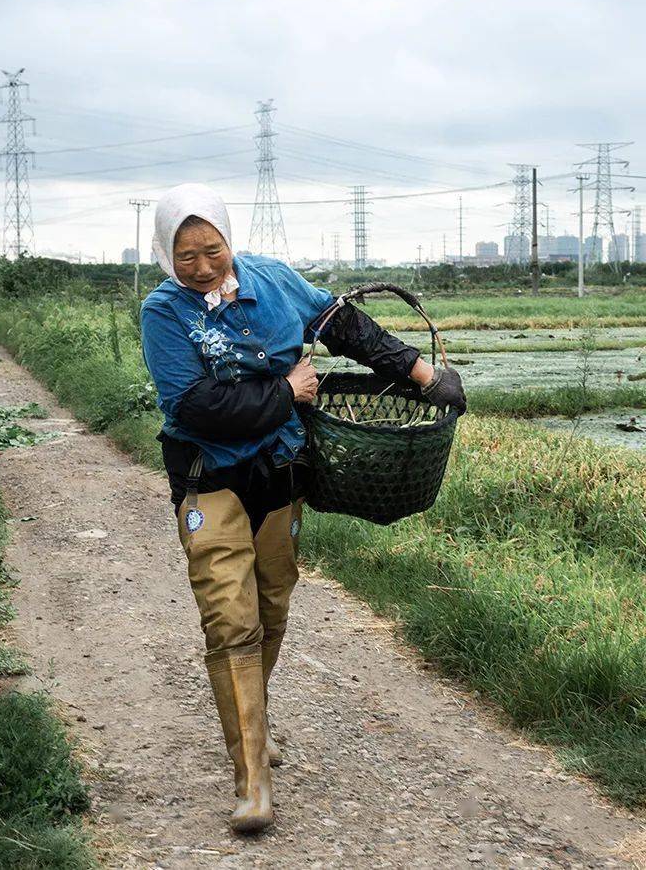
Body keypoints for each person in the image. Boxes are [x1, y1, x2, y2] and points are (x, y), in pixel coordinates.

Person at [141, 183, 465, 834]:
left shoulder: (274, 282)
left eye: (213, 250)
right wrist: (288, 390)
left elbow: (342, 325)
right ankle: (252, 780)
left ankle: (254, 729)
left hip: (281, 476)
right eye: (186, 256)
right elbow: (195, 407)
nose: (203, 267)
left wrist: (422, 375)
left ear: (230, 238)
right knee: (230, 621)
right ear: (163, 254)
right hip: (210, 481)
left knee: (271, 607)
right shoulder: (164, 313)